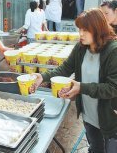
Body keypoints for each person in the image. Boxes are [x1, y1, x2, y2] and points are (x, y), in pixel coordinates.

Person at [29, 9, 117, 153]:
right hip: (89, 114)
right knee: (95, 148)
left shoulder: (113, 51)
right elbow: (65, 68)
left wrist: (81, 87)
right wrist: (43, 77)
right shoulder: (81, 48)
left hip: (109, 117)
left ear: (98, 29)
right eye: (80, 29)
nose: (81, 34)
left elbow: (113, 87)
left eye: (85, 30)